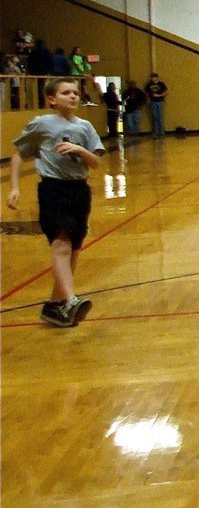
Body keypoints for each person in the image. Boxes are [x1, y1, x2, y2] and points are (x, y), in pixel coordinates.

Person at [7, 77, 104, 327]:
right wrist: (15, 187)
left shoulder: (85, 127)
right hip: (53, 189)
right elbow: (19, 155)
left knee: (73, 248)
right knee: (60, 243)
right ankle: (70, 299)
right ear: (52, 99)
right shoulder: (42, 124)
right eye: (65, 93)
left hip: (79, 191)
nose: (72, 96)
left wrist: (80, 151)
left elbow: (96, 162)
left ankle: (56, 304)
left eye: (75, 92)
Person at [146, 72, 168, 137]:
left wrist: (159, 95)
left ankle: (161, 132)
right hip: (153, 102)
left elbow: (166, 91)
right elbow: (147, 92)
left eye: (153, 77)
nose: (152, 79)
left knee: (160, 116)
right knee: (154, 117)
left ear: (157, 77)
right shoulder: (149, 84)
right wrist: (148, 99)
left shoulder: (161, 84)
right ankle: (156, 131)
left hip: (160, 101)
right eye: (152, 77)